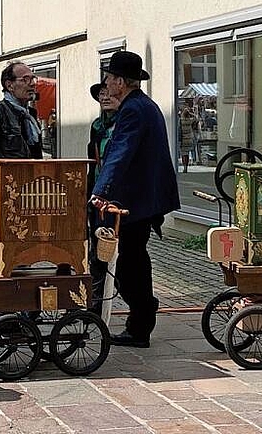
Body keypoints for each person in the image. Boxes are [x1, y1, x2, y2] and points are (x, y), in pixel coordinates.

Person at [90, 51, 180, 348]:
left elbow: (120, 152)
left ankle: (141, 320)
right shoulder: (144, 105)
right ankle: (140, 320)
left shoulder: (132, 110)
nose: (105, 82)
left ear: (119, 81)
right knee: (133, 260)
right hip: (144, 199)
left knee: (130, 265)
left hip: (136, 202)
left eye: (109, 77)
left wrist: (100, 191)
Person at [86, 82, 121, 315]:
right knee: (96, 252)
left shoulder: (123, 123)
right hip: (98, 194)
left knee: (117, 254)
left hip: (117, 196)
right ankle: (94, 304)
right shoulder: (97, 126)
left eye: (109, 93)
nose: (105, 97)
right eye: (101, 94)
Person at [0, 62, 43, 170]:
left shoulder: (30, 115)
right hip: (9, 183)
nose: (32, 84)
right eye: (25, 79)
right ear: (10, 85)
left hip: (31, 183)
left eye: (33, 78)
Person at [178, 103, 200, 172]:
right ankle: (186, 167)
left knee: (184, 154)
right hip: (190, 139)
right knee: (187, 154)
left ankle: (184, 167)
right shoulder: (190, 121)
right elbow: (197, 119)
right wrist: (191, 114)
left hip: (183, 139)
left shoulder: (181, 120)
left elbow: (179, 130)